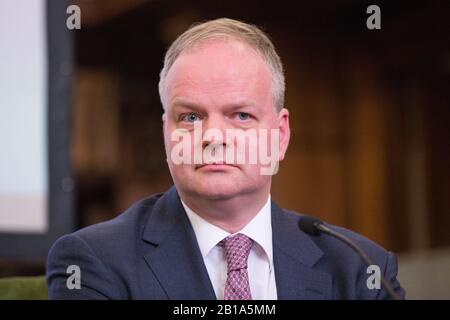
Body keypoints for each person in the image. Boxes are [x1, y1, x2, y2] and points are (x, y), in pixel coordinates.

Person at [46, 18, 405, 300]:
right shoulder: (95, 262)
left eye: (240, 116)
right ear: (166, 133)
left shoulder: (361, 267)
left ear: (280, 136)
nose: (213, 137)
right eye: (190, 117)